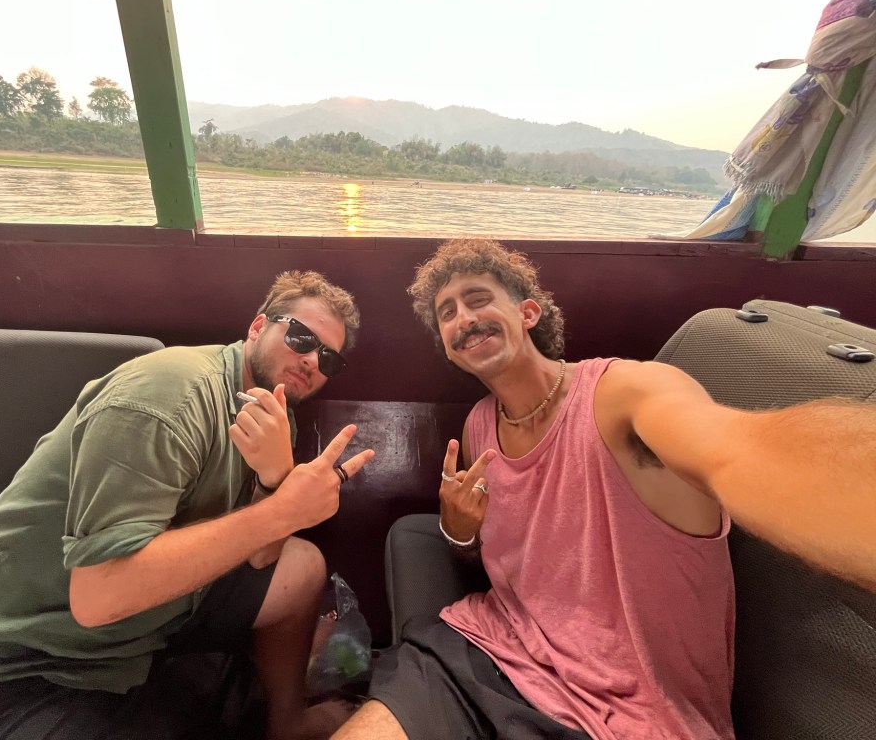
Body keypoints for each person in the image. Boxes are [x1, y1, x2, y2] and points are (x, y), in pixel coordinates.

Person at [333, 238, 876, 740]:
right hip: (487, 649)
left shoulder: (623, 396)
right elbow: (506, 557)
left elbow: (739, 451)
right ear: (450, 349)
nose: (464, 319)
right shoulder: (480, 425)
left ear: (528, 313)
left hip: (627, 712)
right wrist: (458, 531)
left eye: (478, 299)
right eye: (447, 313)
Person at [0, 270, 375, 740]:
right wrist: (283, 510)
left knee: (302, 566)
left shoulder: (273, 413)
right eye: (301, 338)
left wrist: (275, 483)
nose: (312, 361)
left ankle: (285, 721)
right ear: (257, 327)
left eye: (328, 358)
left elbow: (264, 556)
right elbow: (99, 596)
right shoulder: (170, 395)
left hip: (145, 616)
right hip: (23, 643)